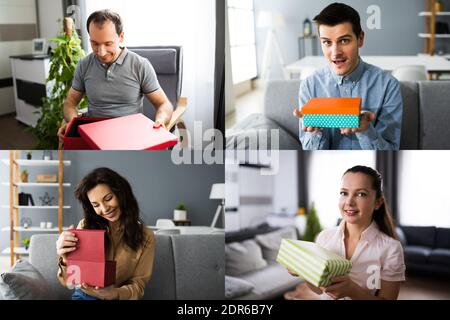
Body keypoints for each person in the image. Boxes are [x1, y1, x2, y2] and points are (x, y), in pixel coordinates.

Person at [293, 3, 403, 150]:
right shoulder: (309, 86)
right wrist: (316, 133)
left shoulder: (388, 86)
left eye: (344, 40)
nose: (335, 52)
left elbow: (390, 155)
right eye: (327, 42)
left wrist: (365, 131)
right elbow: (308, 154)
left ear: (360, 39)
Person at [286, 165, 405, 300]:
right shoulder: (324, 237)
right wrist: (303, 271)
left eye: (361, 194)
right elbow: (319, 290)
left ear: (378, 202)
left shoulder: (391, 248)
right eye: (344, 193)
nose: (349, 202)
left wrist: (352, 290)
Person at [57, 9, 174, 144]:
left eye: (108, 44)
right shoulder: (84, 65)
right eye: (94, 43)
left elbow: (163, 104)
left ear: (121, 37)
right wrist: (72, 124)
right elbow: (70, 102)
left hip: (130, 137)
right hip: (94, 136)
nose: (101, 52)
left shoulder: (140, 65)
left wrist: (160, 120)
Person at [56, 167, 155, 300]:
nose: (104, 209)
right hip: (85, 296)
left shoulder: (146, 236)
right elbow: (68, 282)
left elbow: (138, 285)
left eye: (108, 198)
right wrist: (64, 257)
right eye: (96, 205)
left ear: (122, 193)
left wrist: (114, 293)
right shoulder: (85, 226)